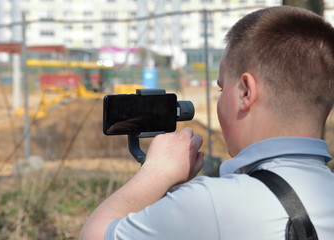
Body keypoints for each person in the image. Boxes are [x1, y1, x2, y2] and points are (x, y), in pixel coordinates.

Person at [80, 6, 334, 240]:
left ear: (246, 92)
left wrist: (156, 173)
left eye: (221, 88)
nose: (219, 98)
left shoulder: (211, 203)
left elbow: (93, 236)